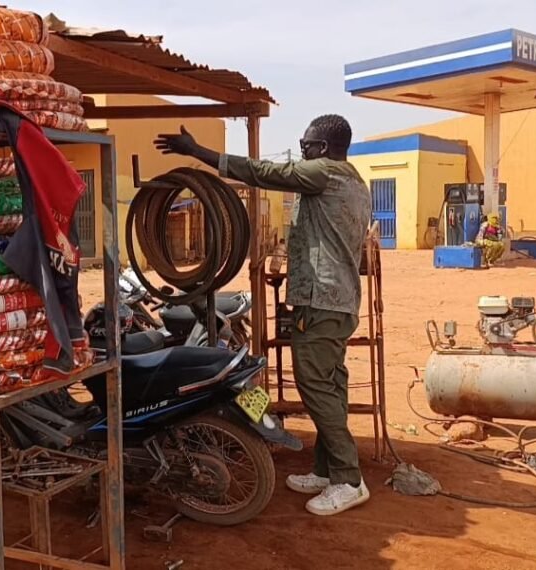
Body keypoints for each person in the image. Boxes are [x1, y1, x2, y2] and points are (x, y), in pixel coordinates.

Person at [155, 115, 373, 516]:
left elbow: (263, 172)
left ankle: (348, 480)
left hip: (323, 302)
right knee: (331, 385)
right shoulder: (354, 181)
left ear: (322, 149)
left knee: (315, 385)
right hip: (336, 302)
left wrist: (199, 153)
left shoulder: (324, 173)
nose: (302, 150)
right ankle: (327, 470)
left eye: (305, 145)